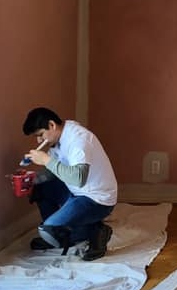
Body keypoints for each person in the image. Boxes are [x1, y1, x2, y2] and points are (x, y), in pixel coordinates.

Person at [22, 107, 118, 261]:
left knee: (49, 230)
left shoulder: (79, 139)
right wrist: (32, 179)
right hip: (75, 192)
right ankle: (56, 234)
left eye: (40, 135)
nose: (39, 141)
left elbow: (78, 178)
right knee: (40, 189)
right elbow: (56, 171)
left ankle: (96, 231)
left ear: (52, 125)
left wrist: (46, 160)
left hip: (96, 199)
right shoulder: (57, 140)